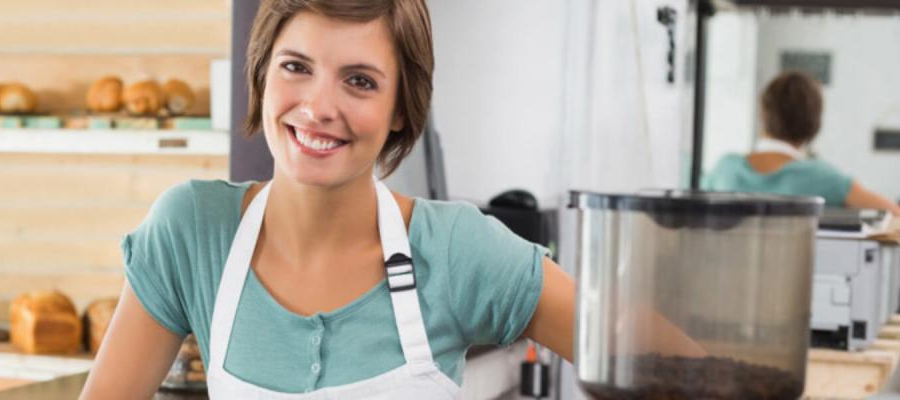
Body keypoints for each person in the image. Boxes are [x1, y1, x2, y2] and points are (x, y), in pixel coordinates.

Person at [78, 1, 577, 398]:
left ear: (401, 107)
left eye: (359, 81)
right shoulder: (193, 229)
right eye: (296, 66)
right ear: (262, 74)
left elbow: (645, 364)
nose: (318, 108)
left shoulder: (456, 250)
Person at [703, 71, 900, 215]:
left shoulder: (724, 168)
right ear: (814, 125)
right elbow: (894, 214)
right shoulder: (823, 177)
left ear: (763, 114)